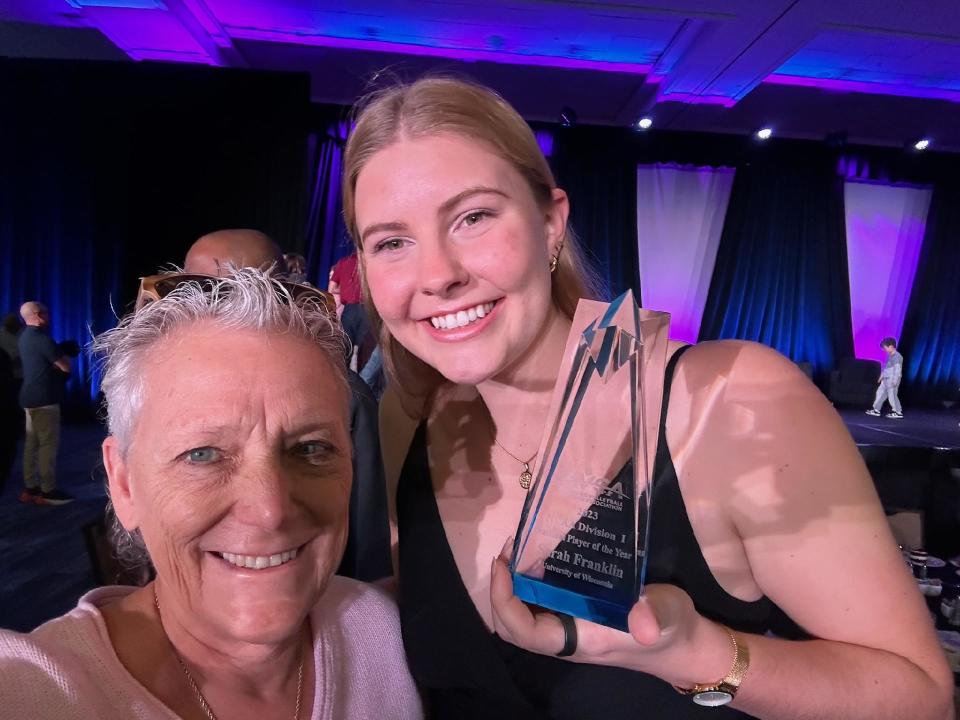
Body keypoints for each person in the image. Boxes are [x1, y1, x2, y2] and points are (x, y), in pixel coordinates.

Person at [342, 77, 954, 719]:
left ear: (551, 223)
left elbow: (922, 698)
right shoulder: (412, 421)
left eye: (473, 217)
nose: (438, 274)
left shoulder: (731, 400)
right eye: (391, 242)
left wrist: (689, 651)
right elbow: (434, 622)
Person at [0, 268, 421, 719]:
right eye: (202, 454)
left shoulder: (395, 639)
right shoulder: (33, 689)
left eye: (311, 448)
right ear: (123, 483)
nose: (270, 510)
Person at [183, 229, 391, 581]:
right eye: (194, 291)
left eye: (238, 292)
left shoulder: (340, 395)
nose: (212, 308)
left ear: (281, 293)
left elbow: (367, 528)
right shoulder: (164, 394)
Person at [17, 301, 73, 506]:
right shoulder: (42, 339)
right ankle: (48, 491)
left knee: (31, 445)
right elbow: (65, 367)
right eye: (47, 313)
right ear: (39, 315)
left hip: (28, 398)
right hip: (45, 399)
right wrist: (65, 354)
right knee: (47, 445)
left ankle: (30, 488)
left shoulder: (24, 337)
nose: (49, 317)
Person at [865, 337, 904, 419]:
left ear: (891, 346)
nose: (884, 350)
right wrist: (881, 376)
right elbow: (887, 367)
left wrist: (895, 380)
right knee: (880, 393)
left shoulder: (897, 356)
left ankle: (898, 412)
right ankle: (876, 410)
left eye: (885, 348)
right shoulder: (890, 355)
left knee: (892, 395)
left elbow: (897, 370)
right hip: (886, 378)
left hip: (892, 379)